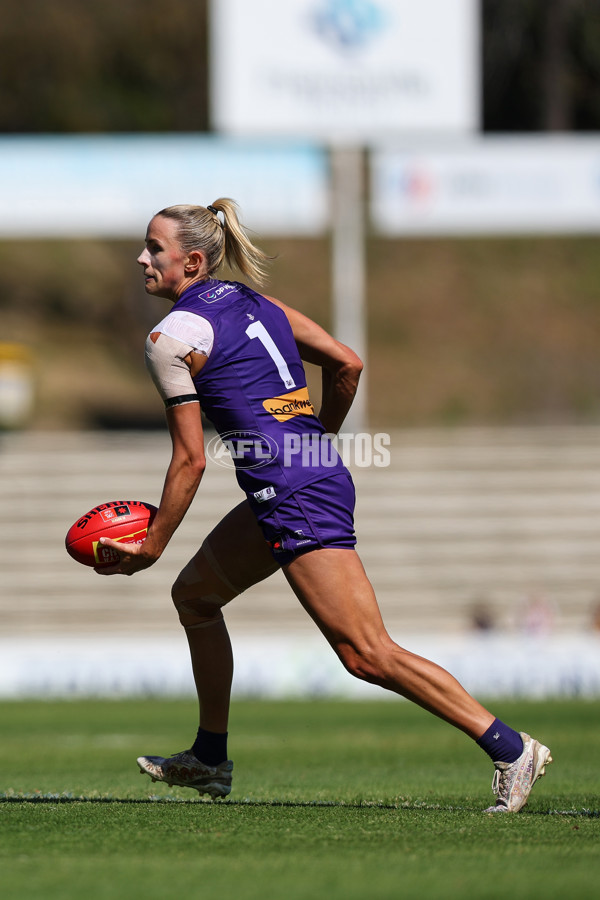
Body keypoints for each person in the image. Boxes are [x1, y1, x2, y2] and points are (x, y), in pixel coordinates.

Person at [97, 198, 552, 813]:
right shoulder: (258, 303)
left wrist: (150, 548)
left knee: (366, 652)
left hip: (293, 489)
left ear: (193, 260)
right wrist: (315, 444)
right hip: (303, 477)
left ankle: (508, 747)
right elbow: (347, 362)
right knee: (196, 597)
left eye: (154, 248)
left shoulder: (169, 338)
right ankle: (209, 758)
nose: (143, 258)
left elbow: (190, 460)